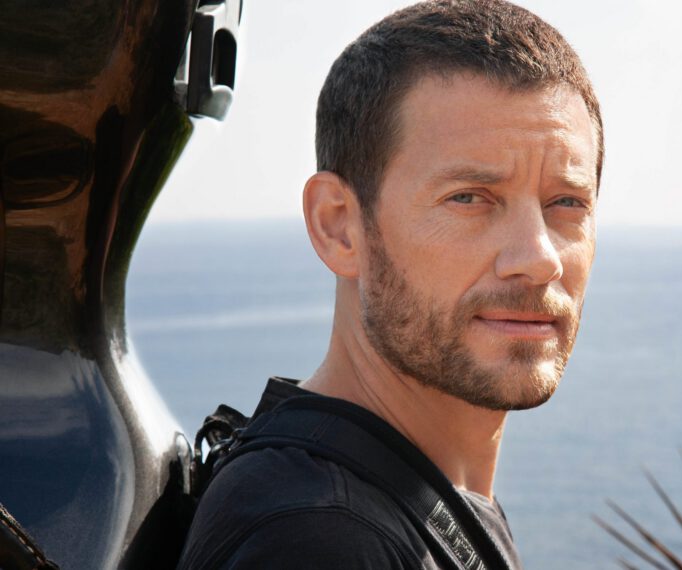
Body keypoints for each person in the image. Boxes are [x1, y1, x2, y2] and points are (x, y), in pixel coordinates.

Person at [177, 0, 603, 567]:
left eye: (566, 202)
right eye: (470, 198)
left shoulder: (403, 492)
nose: (539, 258)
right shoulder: (321, 540)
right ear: (340, 226)